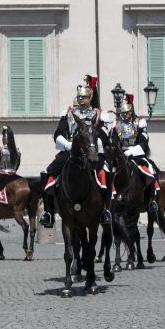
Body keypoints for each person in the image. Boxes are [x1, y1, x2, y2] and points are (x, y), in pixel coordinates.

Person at [40, 75, 111, 228]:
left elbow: (104, 137)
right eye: (79, 97)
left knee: (106, 172)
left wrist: (92, 146)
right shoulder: (69, 113)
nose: (81, 99)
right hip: (72, 151)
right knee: (49, 173)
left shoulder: (99, 114)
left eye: (84, 97)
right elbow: (58, 133)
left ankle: (106, 209)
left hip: (92, 152)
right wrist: (67, 145)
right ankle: (48, 212)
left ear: (90, 97)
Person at [109, 94, 159, 212]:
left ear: (131, 111)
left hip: (136, 155)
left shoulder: (139, 123)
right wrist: (120, 152)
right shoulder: (116, 125)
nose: (124, 115)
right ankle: (110, 200)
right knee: (108, 172)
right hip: (120, 157)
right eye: (123, 113)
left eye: (126, 112)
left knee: (150, 170)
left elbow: (144, 143)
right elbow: (113, 141)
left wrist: (131, 151)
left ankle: (152, 200)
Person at [0, 126, 21, 208]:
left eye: (4, 136)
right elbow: (17, 165)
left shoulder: (0, 149)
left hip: (3, 175)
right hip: (14, 175)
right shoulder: (18, 150)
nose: (3, 138)